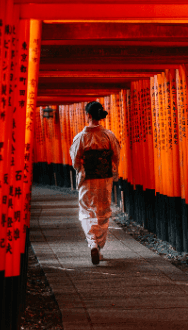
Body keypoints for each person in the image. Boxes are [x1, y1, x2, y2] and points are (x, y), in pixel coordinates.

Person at [69, 101, 121, 265]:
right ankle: (98, 245)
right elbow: (116, 156)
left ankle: (92, 243)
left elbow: (75, 161)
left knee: (87, 211)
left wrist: (81, 168)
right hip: (104, 179)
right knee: (103, 211)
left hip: (87, 179)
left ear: (88, 115)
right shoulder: (109, 135)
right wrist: (111, 169)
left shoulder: (81, 137)